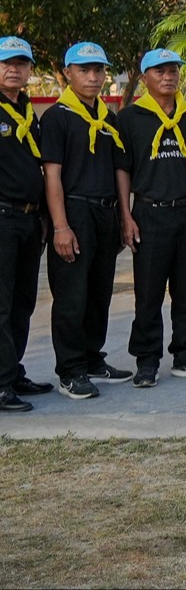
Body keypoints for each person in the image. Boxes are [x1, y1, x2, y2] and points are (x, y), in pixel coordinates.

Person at [115, 48, 186, 387]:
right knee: (148, 292)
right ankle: (147, 360)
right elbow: (123, 170)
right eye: (160, 71)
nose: (168, 75)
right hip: (149, 213)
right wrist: (126, 216)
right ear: (145, 78)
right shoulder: (129, 118)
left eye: (173, 69)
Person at [41, 41, 133, 398]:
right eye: (84, 70)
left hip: (104, 212)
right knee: (71, 296)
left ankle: (93, 358)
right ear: (67, 73)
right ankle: (70, 370)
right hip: (74, 212)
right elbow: (52, 176)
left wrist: (123, 217)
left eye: (98, 70)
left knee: (99, 293)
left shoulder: (107, 119)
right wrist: (61, 226)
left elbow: (117, 171)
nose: (93, 77)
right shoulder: (57, 118)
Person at [0, 37, 49, 411]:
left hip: (30, 219)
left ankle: (12, 372)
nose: (13, 68)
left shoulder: (28, 112)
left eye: (21, 63)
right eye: (6, 62)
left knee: (22, 302)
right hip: (3, 217)